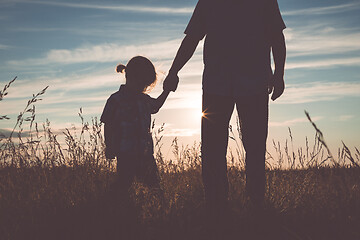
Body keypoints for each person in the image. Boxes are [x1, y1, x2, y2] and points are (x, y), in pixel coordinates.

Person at [164, 0, 287, 219]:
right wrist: (173, 71)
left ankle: (254, 205)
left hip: (250, 83)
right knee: (214, 149)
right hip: (220, 84)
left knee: (254, 146)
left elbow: (277, 36)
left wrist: (279, 74)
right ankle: (217, 206)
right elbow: (191, 38)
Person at [101, 56, 170, 196]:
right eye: (142, 84)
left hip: (145, 153)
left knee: (155, 187)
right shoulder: (116, 100)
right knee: (123, 184)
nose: (143, 88)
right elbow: (108, 124)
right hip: (125, 153)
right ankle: (112, 205)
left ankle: (158, 209)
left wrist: (167, 91)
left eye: (145, 85)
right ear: (130, 77)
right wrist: (110, 145)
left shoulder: (143, 99)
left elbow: (156, 106)